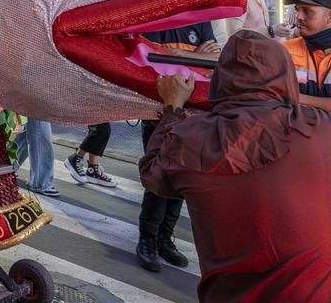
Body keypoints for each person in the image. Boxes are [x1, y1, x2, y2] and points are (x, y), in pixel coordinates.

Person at [140, 32, 331, 301]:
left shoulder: (192, 139)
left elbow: (154, 175)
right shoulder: (318, 126)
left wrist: (173, 108)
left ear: (221, 79)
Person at [135, 21, 219, 272]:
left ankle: (164, 239)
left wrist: (184, 55)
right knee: (157, 178)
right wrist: (197, 55)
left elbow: (215, 58)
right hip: (160, 112)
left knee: (180, 179)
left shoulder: (203, 21)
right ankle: (146, 241)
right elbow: (153, 55)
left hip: (192, 114)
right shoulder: (159, 17)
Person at [280, 0, 331, 97]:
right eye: (297, 10)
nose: (299, 16)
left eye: (307, 11)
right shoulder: (284, 50)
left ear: (330, 17)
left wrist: (299, 99)